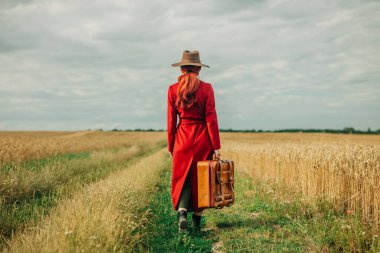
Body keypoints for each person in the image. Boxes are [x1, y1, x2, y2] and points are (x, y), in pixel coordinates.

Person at [167, 50, 221, 232]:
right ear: (198, 69)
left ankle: (182, 213)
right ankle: (197, 220)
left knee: (182, 177)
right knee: (202, 179)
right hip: (202, 138)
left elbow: (170, 121)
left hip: (182, 137)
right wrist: (216, 146)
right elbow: (211, 119)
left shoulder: (172, 90)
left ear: (182, 68)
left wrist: (171, 144)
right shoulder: (207, 88)